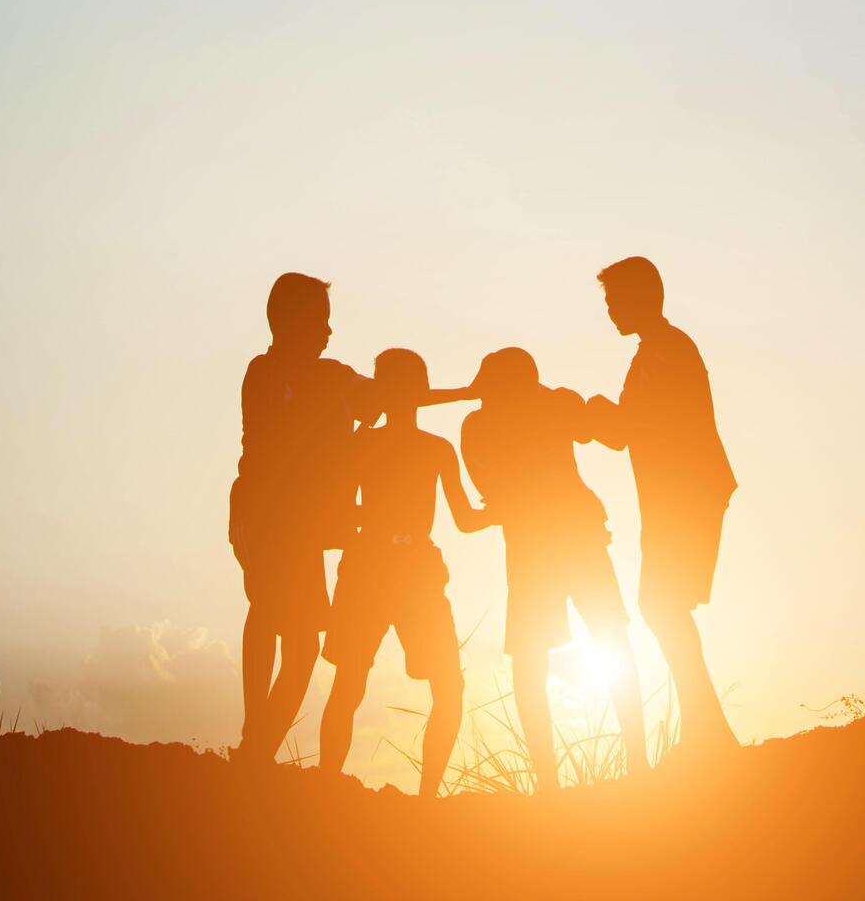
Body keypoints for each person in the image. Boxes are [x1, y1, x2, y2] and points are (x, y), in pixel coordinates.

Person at [229, 274, 474, 766]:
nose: (328, 331)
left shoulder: (335, 377)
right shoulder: (264, 373)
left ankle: (256, 753)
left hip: (307, 529)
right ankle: (253, 737)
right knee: (266, 615)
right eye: (320, 320)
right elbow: (276, 452)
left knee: (300, 650)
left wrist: (470, 391)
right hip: (266, 518)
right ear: (291, 320)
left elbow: (399, 395)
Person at [460, 347, 647, 793]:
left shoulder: (511, 414)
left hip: (563, 540)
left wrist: (568, 406)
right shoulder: (487, 422)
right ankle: (557, 779)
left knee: (601, 641)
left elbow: (598, 430)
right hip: (543, 545)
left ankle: (628, 766)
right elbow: (494, 487)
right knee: (539, 657)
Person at [319, 348, 491, 797]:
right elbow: (468, 519)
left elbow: (336, 510)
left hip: (395, 570)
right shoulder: (428, 448)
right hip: (389, 569)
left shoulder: (384, 445)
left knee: (354, 684)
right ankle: (417, 798)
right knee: (378, 684)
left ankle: (337, 789)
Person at [586, 256, 737, 754]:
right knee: (664, 604)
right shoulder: (658, 351)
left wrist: (588, 412)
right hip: (675, 495)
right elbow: (624, 429)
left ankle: (707, 731)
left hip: (685, 494)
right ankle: (706, 729)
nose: (609, 311)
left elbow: (627, 428)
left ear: (640, 298)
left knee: (661, 604)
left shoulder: (665, 352)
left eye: (614, 301)